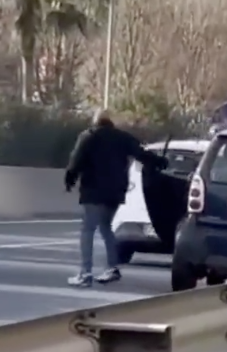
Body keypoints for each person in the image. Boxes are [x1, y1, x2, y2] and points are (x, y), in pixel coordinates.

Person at [64, 109, 168, 287]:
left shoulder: (88, 136)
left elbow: (76, 160)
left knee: (88, 230)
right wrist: (159, 162)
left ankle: (85, 273)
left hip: (93, 191)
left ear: (95, 120)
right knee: (106, 227)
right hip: (115, 192)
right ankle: (112, 268)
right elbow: (141, 153)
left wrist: (70, 180)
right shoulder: (122, 137)